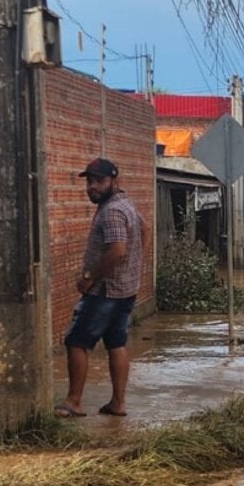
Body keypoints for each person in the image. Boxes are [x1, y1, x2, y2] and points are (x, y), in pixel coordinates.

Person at [56, 158, 144, 419]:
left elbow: (117, 249)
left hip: (104, 290)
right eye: (89, 181)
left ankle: (73, 401)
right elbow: (145, 228)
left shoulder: (112, 211)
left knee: (76, 341)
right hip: (125, 289)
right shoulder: (125, 204)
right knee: (116, 343)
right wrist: (135, 267)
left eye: (99, 181)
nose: (92, 186)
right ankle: (118, 403)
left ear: (114, 181)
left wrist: (89, 276)